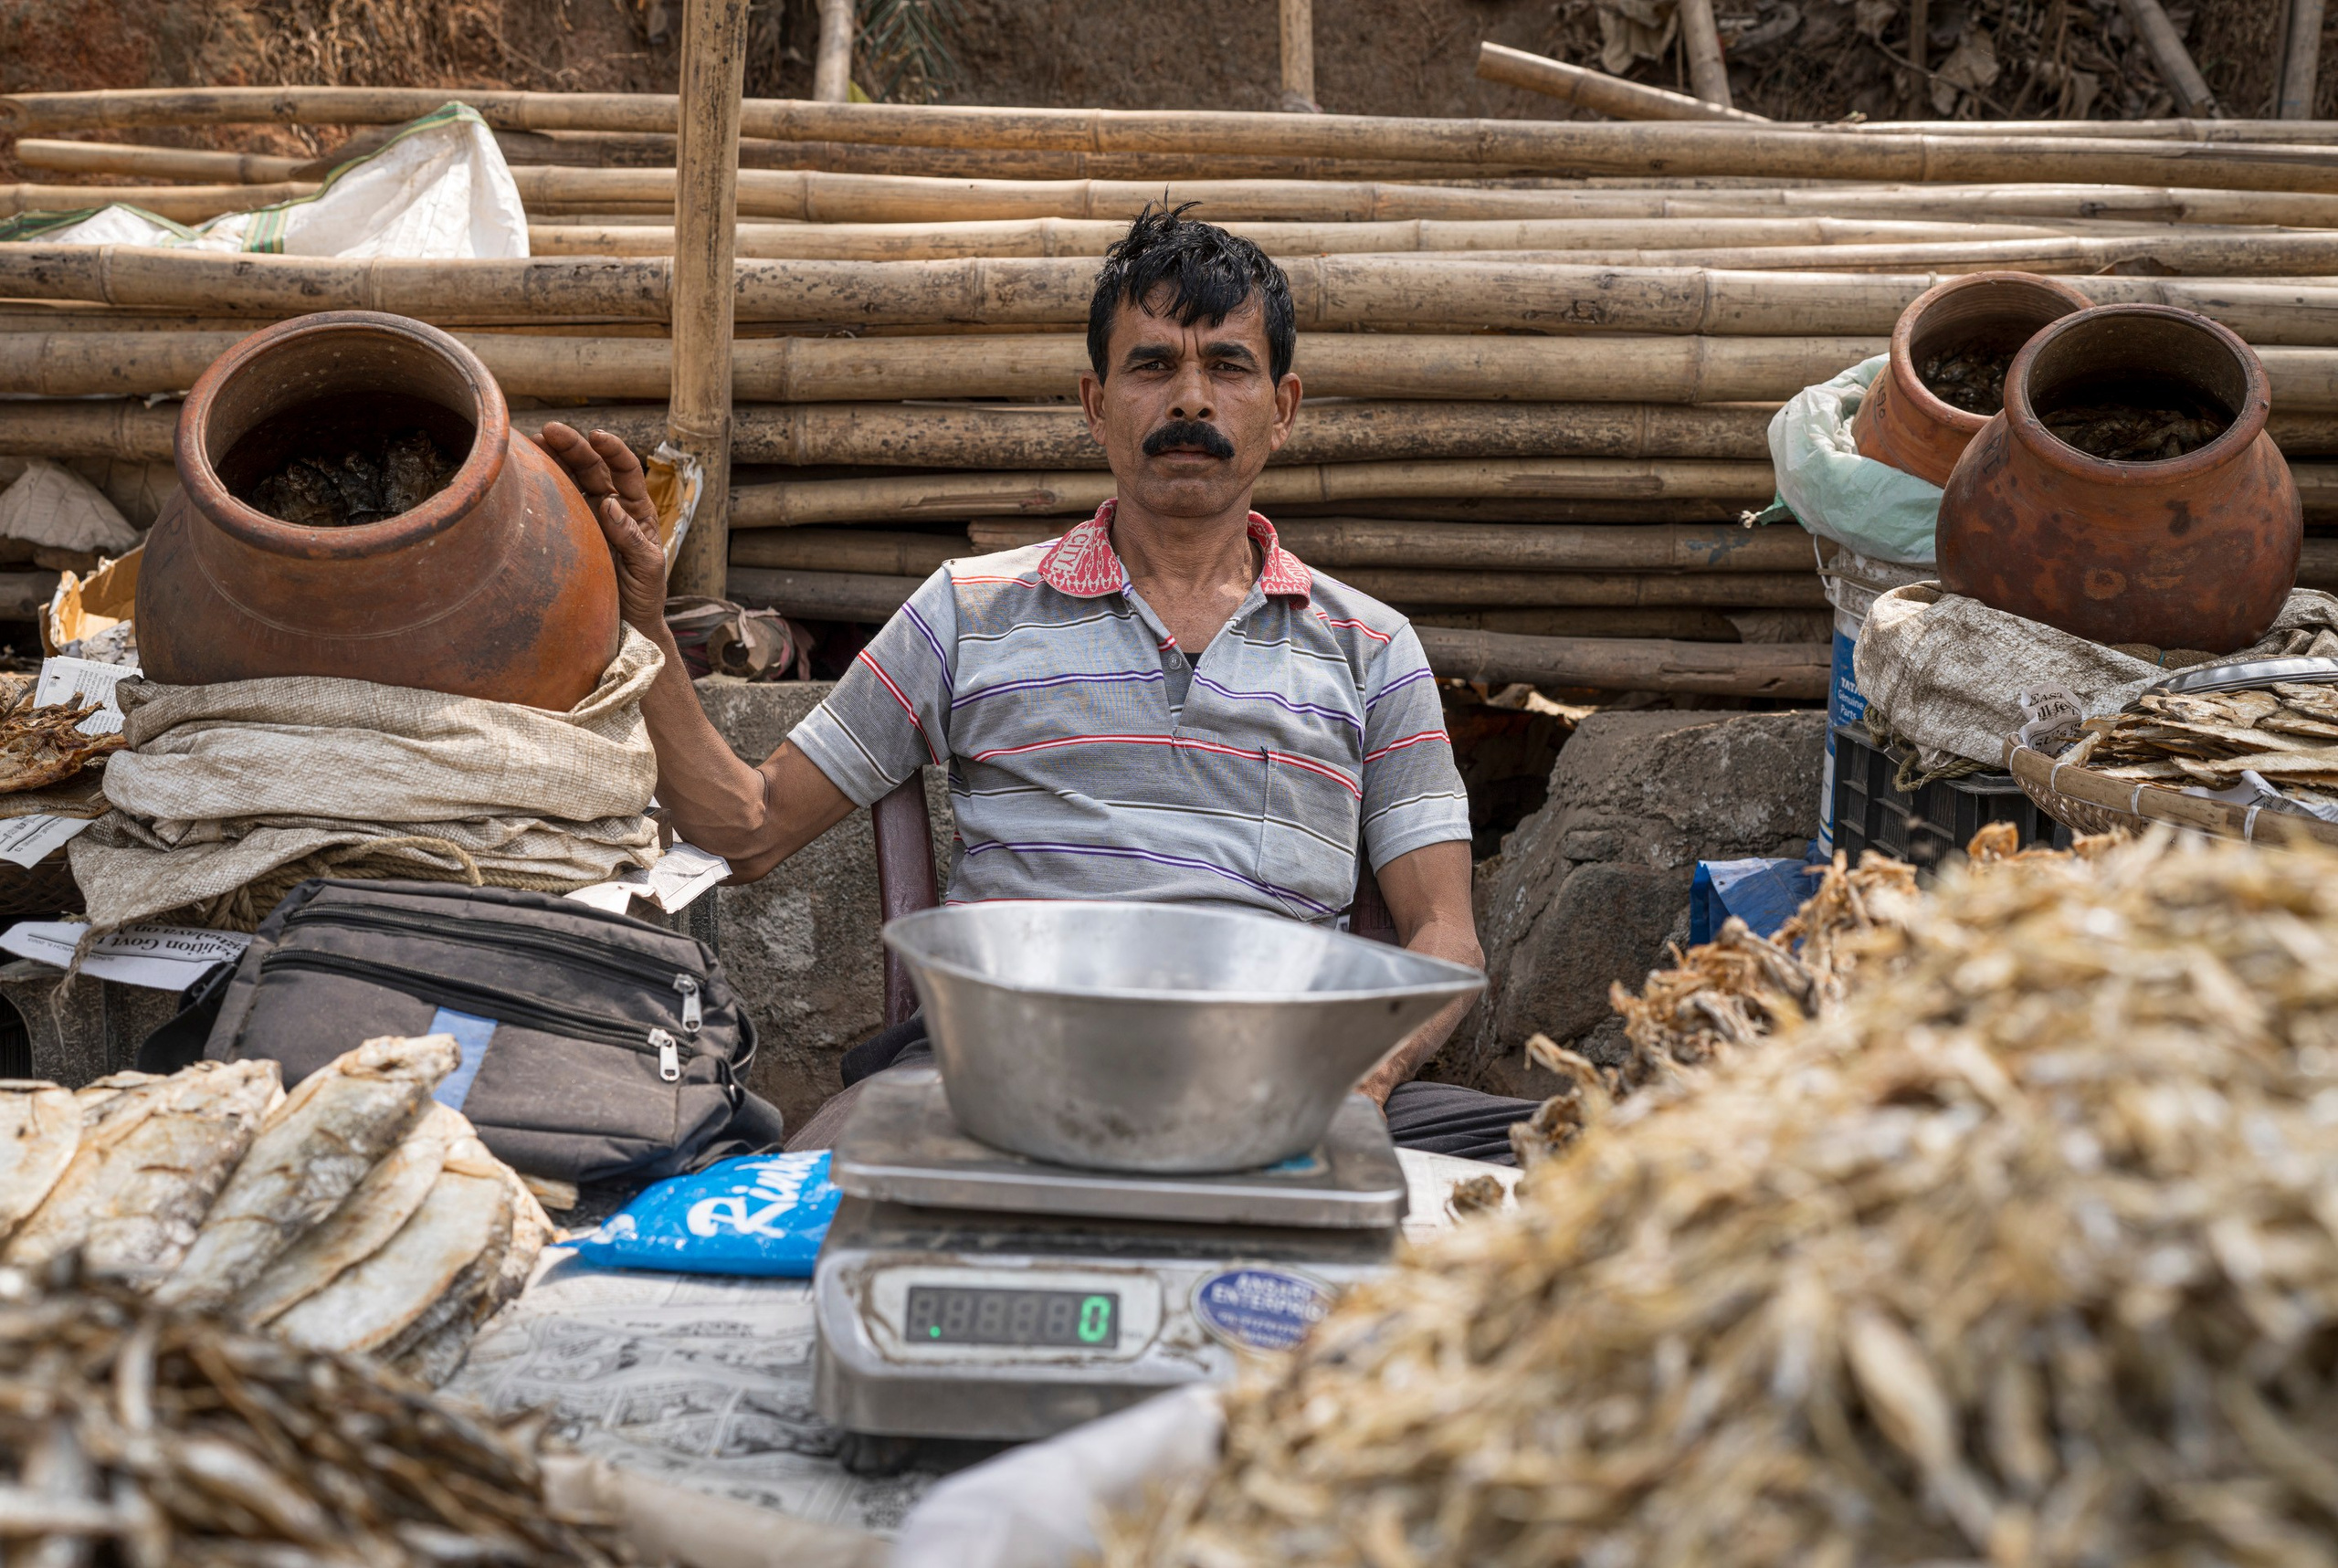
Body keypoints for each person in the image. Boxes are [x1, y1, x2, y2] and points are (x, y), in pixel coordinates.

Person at [536, 205, 1542, 1163]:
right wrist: (643, 617)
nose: (1191, 399)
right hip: (999, 1071)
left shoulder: (1370, 647)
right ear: (1096, 405)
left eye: (1228, 366)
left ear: (1281, 410)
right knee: (809, 1190)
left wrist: (1363, 1081)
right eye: (1153, 365)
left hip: (1281, 1079)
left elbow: (1444, 936)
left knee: (1572, 1164)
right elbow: (747, 828)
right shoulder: (969, 609)